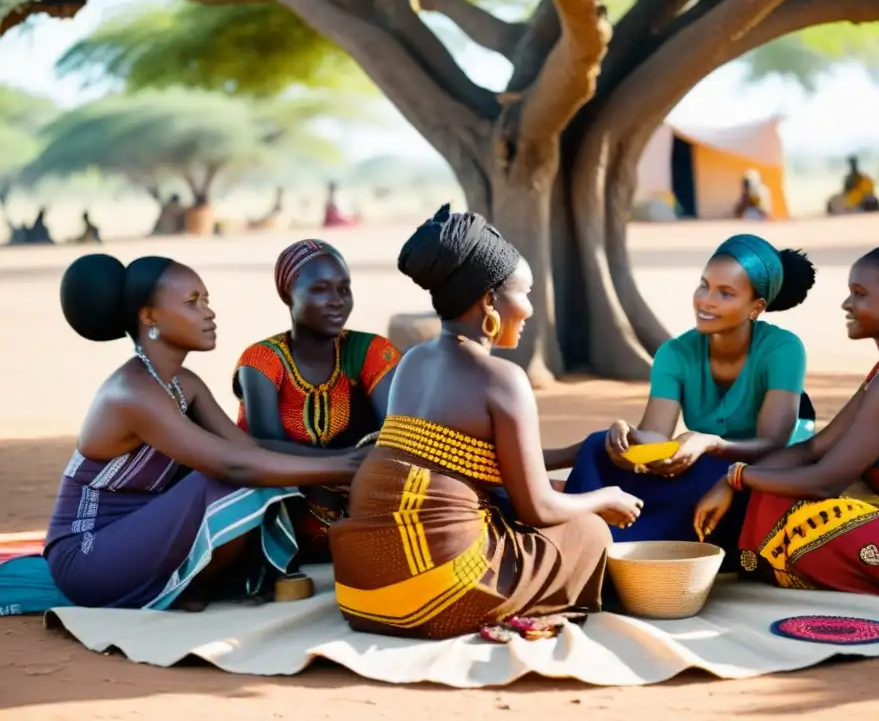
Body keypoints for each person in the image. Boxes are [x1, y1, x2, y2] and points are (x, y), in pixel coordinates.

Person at [329, 205, 642, 639]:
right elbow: (537, 508)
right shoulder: (502, 379)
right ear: (490, 299)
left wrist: (580, 449)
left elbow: (461, 456)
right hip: (435, 594)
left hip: (364, 589)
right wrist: (603, 498)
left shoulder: (412, 362)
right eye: (525, 293)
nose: (530, 309)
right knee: (588, 531)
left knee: (532, 501)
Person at [45, 254, 365, 611]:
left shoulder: (184, 384)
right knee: (226, 478)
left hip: (144, 535)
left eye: (206, 300)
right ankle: (193, 585)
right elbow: (235, 467)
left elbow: (250, 448)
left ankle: (196, 584)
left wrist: (344, 459)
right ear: (149, 316)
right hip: (87, 555)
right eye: (192, 302)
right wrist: (348, 467)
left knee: (261, 471)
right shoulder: (130, 395)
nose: (209, 313)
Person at [694, 222, 879, 603]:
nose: (847, 305)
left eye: (860, 294)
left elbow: (825, 481)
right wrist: (736, 477)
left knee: (784, 509)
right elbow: (815, 449)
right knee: (772, 494)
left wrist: (737, 479)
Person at [563, 234, 817, 559]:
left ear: (756, 307)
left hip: (754, 476)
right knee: (598, 446)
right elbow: (656, 434)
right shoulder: (675, 353)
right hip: (698, 466)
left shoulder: (783, 349)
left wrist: (710, 444)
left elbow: (772, 443)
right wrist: (630, 441)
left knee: (711, 474)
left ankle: (614, 545)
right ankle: (596, 538)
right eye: (704, 285)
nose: (706, 301)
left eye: (725, 293)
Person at [233, 239, 402, 563]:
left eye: (344, 289)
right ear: (287, 295)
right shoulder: (262, 360)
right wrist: (343, 464)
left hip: (357, 501)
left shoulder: (369, 351)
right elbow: (266, 443)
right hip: (282, 507)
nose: (337, 301)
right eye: (321, 289)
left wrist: (360, 467)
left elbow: (397, 432)